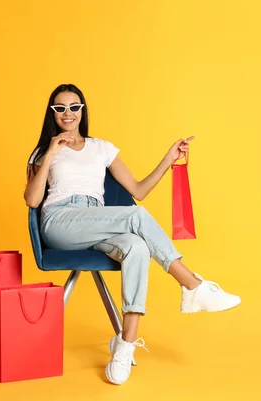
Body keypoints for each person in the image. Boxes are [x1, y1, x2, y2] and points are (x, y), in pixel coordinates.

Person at [24, 83, 241, 385]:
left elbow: (138, 190)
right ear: (53, 113)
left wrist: (169, 158)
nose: (68, 114)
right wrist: (49, 154)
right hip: (60, 222)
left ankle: (125, 345)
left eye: (74, 107)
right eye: (60, 108)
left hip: (97, 221)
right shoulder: (43, 151)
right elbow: (33, 201)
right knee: (136, 217)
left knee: (137, 246)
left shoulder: (102, 147)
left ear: (82, 110)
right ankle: (191, 284)